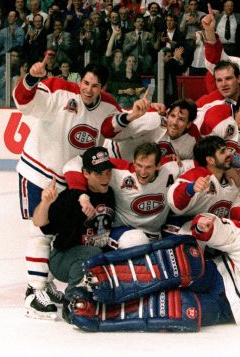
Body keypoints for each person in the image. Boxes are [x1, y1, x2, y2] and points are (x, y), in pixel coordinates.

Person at [14, 57, 150, 319]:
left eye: (95, 86)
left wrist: (133, 114)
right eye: (85, 83)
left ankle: (45, 283)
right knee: (38, 231)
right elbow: (24, 101)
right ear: (79, 80)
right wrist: (31, 78)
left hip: (69, 179)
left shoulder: (107, 105)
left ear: (103, 88)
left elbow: (110, 127)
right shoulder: (58, 89)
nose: (88, 89)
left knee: (55, 235)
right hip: (37, 170)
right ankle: (34, 291)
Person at [68, 203, 240, 332]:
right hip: (217, 277)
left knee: (174, 309)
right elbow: (224, 231)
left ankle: (94, 312)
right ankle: (102, 279)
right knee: (184, 259)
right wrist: (206, 225)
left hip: (231, 309)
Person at [32, 146, 115, 318]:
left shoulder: (110, 193)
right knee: (92, 253)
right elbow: (39, 222)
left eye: (108, 172)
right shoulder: (71, 199)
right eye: (99, 174)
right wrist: (46, 203)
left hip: (93, 258)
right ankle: (70, 303)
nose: (105, 178)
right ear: (85, 173)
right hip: (63, 259)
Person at [64, 142, 192, 249]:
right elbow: (74, 163)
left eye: (148, 167)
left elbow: (198, 166)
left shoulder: (171, 168)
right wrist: (82, 196)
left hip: (156, 233)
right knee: (136, 240)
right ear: (133, 162)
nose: (142, 172)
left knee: (192, 232)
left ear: (158, 165)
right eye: (139, 165)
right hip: (123, 233)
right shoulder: (119, 171)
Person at [167, 136, 240, 230]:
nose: (229, 153)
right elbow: (174, 201)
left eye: (227, 149)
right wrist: (191, 188)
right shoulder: (197, 175)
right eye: (223, 151)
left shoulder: (230, 177)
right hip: (182, 231)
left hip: (211, 233)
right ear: (210, 160)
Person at [107, 98, 200, 161]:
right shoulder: (152, 119)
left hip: (139, 172)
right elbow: (111, 130)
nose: (174, 122)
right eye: (172, 116)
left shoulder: (191, 140)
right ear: (167, 113)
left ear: (189, 124)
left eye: (181, 119)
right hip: (112, 154)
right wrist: (136, 113)